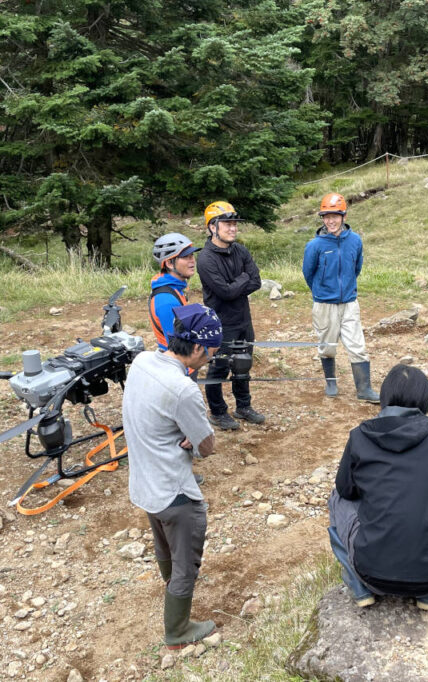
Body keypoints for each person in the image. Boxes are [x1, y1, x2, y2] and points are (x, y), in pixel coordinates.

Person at [121, 303, 222, 650]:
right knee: (186, 563)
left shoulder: (142, 362)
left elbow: (153, 414)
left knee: (163, 544)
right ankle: (177, 631)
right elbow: (207, 446)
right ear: (196, 348)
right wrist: (193, 437)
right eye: (211, 351)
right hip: (174, 491)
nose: (211, 357)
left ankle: (170, 588)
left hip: (145, 483)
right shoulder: (184, 391)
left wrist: (181, 432)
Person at [328, 364, 428, 610]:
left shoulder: (359, 436)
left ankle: (357, 585)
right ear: (425, 400)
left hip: (371, 574)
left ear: (384, 398)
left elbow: (346, 490)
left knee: (337, 496)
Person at [302, 192, 379, 403]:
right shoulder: (315, 246)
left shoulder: (355, 241)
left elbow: (357, 268)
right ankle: (331, 381)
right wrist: (322, 291)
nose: (331, 221)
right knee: (327, 346)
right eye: (326, 216)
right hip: (324, 304)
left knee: (357, 345)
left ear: (343, 216)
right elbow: (308, 273)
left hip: (349, 303)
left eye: (335, 216)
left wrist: (346, 290)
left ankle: (364, 389)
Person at [197, 200, 264, 430]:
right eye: (227, 224)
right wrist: (243, 278)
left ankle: (243, 406)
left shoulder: (240, 250)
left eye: (234, 223)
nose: (233, 228)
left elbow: (257, 281)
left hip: (243, 320)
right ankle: (217, 411)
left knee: (243, 365)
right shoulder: (205, 259)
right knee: (219, 368)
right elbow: (224, 293)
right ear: (212, 227)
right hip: (220, 324)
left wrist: (239, 282)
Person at [149, 233, 201, 351]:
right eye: (186, 256)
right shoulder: (167, 300)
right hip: (176, 365)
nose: (192, 261)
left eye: (192, 255)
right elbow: (178, 349)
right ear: (169, 263)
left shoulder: (174, 289)